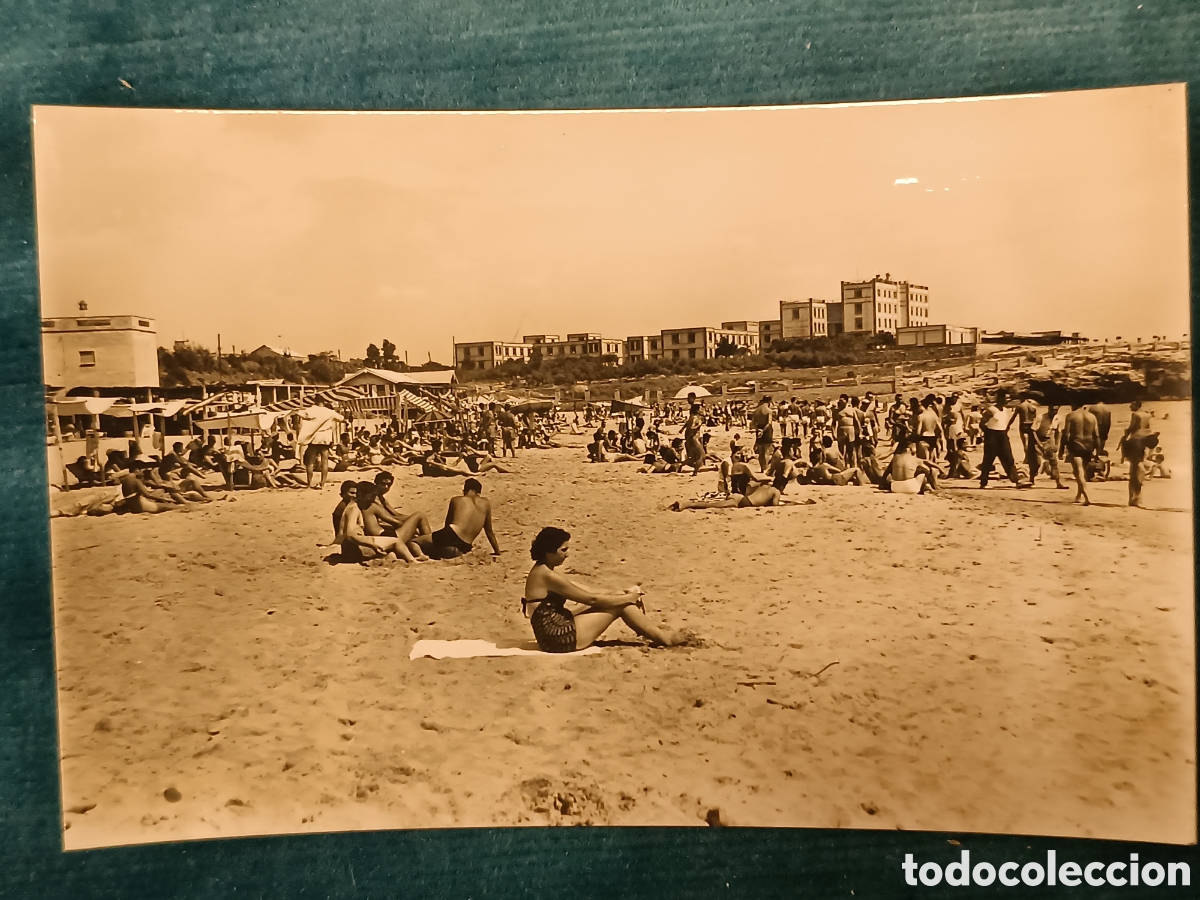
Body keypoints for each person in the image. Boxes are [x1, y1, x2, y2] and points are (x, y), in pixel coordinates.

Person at [522, 527, 690, 652]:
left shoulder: (543, 570)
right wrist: (627, 598)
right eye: (563, 550)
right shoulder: (546, 575)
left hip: (552, 631)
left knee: (617, 598)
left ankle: (651, 630)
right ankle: (664, 639)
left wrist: (619, 593)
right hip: (558, 637)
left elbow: (586, 591)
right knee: (621, 605)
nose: (567, 555)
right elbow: (591, 600)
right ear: (549, 552)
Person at [413, 478, 500, 559]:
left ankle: (421, 557)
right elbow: (489, 531)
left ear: (467, 489)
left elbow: (447, 525)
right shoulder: (485, 503)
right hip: (466, 544)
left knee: (414, 543)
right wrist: (497, 551)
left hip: (451, 534)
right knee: (438, 545)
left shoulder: (456, 500)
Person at [978, 390, 1021, 488]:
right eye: (1006, 398)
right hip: (992, 435)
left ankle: (1016, 480)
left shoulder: (1005, 410)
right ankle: (983, 483)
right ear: (1000, 398)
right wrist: (989, 434)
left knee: (1009, 458)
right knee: (988, 460)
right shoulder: (991, 410)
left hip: (1003, 435)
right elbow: (982, 424)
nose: (1007, 400)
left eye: (1009, 398)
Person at [1060, 401, 1100, 505]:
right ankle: (1078, 495)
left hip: (1076, 444)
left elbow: (1065, 434)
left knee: (1078, 471)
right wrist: (1098, 451)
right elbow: (1096, 435)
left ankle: (1087, 497)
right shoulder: (1092, 416)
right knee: (1083, 471)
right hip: (1089, 445)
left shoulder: (1071, 416)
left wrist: (1061, 449)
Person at [1119, 399, 1157, 508]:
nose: (1130, 406)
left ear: (1136, 405)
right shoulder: (1147, 415)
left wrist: (1125, 437)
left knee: (1134, 467)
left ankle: (1133, 498)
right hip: (1144, 439)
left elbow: (1133, 427)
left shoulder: (1135, 414)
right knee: (1138, 462)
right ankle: (1136, 497)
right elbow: (1148, 428)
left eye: (1131, 404)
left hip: (1135, 440)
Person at [299, 404, 342, 489]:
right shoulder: (330, 412)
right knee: (324, 463)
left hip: (314, 437)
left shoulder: (311, 409)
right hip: (325, 438)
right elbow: (341, 418)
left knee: (310, 462)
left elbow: (300, 414)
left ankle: (309, 483)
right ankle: (322, 484)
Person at [1032, 405, 1068, 489]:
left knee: (1054, 462)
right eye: (1053, 410)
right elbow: (1033, 431)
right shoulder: (1041, 417)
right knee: (1036, 463)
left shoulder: (1058, 418)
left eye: (1056, 410)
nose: (1054, 412)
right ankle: (1031, 479)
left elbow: (1058, 432)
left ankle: (1058, 482)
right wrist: (1039, 443)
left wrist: (1056, 444)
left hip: (1050, 441)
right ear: (1049, 409)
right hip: (1038, 441)